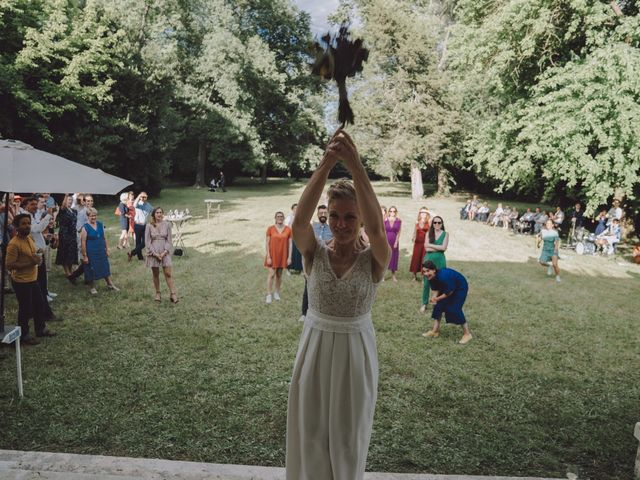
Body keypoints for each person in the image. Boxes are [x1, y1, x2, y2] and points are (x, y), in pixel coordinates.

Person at [287, 129, 390, 480]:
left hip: (356, 351)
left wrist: (357, 166)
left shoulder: (375, 257)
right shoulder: (313, 252)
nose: (341, 224)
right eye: (334, 215)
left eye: (350, 216)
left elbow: (378, 230)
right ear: (326, 216)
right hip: (315, 347)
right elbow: (298, 222)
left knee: (348, 438)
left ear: (360, 218)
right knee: (311, 435)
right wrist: (327, 162)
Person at [5, 213, 57, 345]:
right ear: (16, 226)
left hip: (32, 278)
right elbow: (9, 265)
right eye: (23, 223)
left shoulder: (29, 238)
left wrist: (39, 251)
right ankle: (24, 335)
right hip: (21, 281)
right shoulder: (13, 244)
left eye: (28, 223)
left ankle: (40, 329)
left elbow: (33, 252)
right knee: (25, 308)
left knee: (39, 304)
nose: (27, 226)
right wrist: (31, 262)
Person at [22, 197, 59, 318]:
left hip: (38, 252)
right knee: (39, 285)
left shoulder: (30, 215)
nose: (35, 206)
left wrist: (44, 236)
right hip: (35, 255)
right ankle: (45, 313)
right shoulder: (25, 216)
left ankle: (42, 312)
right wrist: (48, 216)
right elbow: (36, 228)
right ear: (26, 205)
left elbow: (36, 232)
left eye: (35, 204)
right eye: (32, 204)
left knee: (40, 285)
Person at [421, 261, 472, 344]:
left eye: (428, 271)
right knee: (438, 307)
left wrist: (437, 299)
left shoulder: (443, 277)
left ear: (434, 270)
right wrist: (434, 298)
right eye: (424, 271)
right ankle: (435, 331)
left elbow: (449, 292)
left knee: (454, 309)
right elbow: (436, 289)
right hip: (448, 287)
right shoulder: (430, 277)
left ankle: (467, 334)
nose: (426, 273)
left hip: (460, 287)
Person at [81, 208, 119, 294]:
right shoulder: (85, 227)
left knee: (105, 266)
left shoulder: (100, 224)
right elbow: (83, 242)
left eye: (95, 215)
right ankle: (92, 287)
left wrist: (107, 249)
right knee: (91, 269)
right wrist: (85, 255)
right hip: (91, 251)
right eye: (91, 216)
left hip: (101, 250)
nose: (93, 217)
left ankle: (110, 284)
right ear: (88, 216)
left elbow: (104, 238)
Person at [145, 207, 178, 303]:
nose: (159, 214)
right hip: (153, 252)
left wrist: (164, 252)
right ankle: (158, 293)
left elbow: (169, 240)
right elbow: (147, 241)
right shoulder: (149, 226)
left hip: (165, 251)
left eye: (161, 212)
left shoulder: (167, 224)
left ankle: (173, 294)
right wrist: (154, 253)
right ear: (154, 214)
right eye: (157, 213)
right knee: (155, 274)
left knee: (168, 273)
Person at [420, 216, 448, 313]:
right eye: (435, 222)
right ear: (432, 224)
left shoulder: (445, 234)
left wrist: (431, 245)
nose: (437, 224)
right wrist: (438, 247)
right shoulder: (428, 233)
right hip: (429, 259)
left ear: (442, 223)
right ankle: (424, 303)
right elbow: (426, 249)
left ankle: (438, 303)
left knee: (441, 281)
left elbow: (444, 248)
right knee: (427, 283)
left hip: (440, 260)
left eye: (439, 222)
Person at [264, 211, 292, 304]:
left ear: (283, 218)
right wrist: (268, 256)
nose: (280, 218)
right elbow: (267, 243)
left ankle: (276, 293)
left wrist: (289, 257)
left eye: (281, 216)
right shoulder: (270, 229)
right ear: (275, 218)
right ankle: (269, 294)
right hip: (272, 255)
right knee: (271, 274)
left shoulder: (288, 229)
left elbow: (290, 244)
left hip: (282, 255)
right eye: (278, 216)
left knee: (279, 275)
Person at [55, 194, 78, 278]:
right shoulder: (62, 210)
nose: (70, 201)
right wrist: (66, 195)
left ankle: (71, 270)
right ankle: (67, 272)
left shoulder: (74, 211)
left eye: (71, 200)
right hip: (64, 234)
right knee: (65, 252)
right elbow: (63, 206)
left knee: (71, 252)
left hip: (73, 233)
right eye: (69, 200)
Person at [128, 192, 153, 261]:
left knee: (145, 242)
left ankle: (131, 253)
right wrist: (139, 195)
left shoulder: (148, 205)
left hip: (145, 225)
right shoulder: (138, 204)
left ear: (147, 197)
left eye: (145, 197)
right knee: (138, 242)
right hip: (138, 225)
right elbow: (134, 204)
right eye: (142, 197)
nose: (143, 198)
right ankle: (140, 258)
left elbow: (153, 211)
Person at [409, 207, 430, 281]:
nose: (423, 214)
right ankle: (414, 276)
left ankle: (424, 277)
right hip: (417, 243)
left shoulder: (429, 222)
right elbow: (415, 231)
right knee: (416, 258)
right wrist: (413, 237)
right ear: (419, 213)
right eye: (421, 212)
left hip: (425, 243)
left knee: (424, 260)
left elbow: (430, 234)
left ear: (427, 213)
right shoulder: (417, 222)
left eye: (425, 212)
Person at [384, 206, 401, 281]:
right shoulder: (385, 220)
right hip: (386, 239)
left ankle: (393, 276)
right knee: (385, 257)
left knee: (394, 257)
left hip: (394, 240)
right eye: (391, 211)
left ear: (396, 212)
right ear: (388, 212)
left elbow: (399, 232)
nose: (392, 213)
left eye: (394, 211)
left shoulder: (398, 220)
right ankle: (383, 275)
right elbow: (383, 232)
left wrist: (396, 242)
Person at [285, 203, 303, 274]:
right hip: (291, 237)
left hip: (299, 238)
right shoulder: (289, 217)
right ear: (292, 209)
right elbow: (286, 227)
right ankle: (288, 269)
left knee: (299, 253)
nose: (296, 210)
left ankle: (300, 269)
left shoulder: (301, 217)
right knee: (290, 253)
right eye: (295, 208)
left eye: (297, 208)